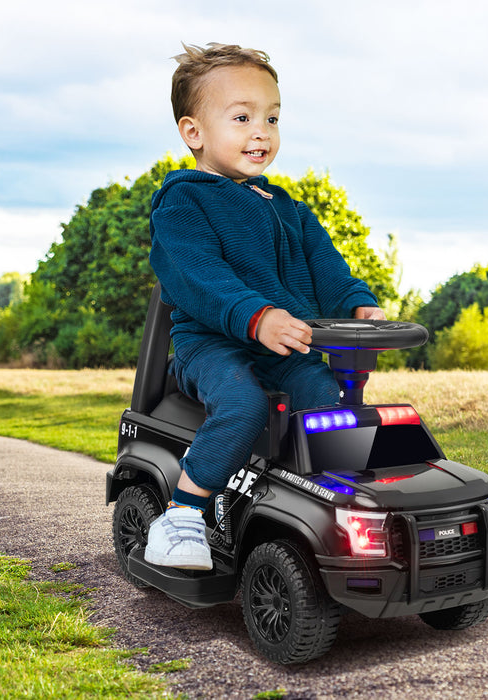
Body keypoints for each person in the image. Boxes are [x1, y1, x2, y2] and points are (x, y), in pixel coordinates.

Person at [144, 43, 385, 569]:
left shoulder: (289, 210)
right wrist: (257, 315)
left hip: (280, 346)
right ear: (194, 132)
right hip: (212, 346)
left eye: (272, 118)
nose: (262, 131)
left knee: (327, 397)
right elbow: (200, 279)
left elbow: (329, 271)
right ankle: (183, 514)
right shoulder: (182, 203)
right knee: (243, 405)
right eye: (242, 117)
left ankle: (335, 504)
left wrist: (358, 305)